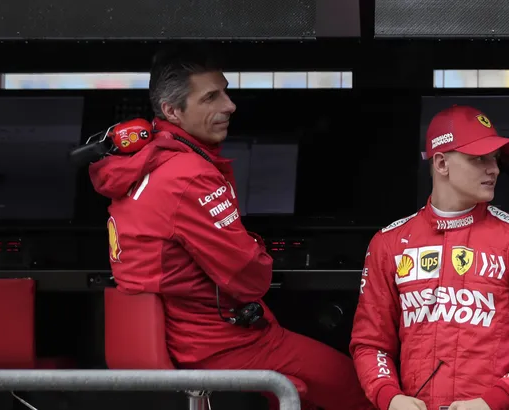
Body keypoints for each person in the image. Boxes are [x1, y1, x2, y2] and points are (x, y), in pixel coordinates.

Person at [89, 46, 373, 410]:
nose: (230, 105)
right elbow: (251, 278)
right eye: (211, 97)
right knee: (363, 391)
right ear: (172, 111)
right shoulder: (189, 176)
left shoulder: (142, 162)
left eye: (225, 91)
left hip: (178, 338)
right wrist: (255, 244)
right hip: (219, 345)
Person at [350, 105, 509, 410]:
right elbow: (370, 344)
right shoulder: (389, 243)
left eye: (495, 158)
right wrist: (389, 397)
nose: (494, 169)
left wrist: (493, 402)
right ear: (441, 163)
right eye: (479, 158)